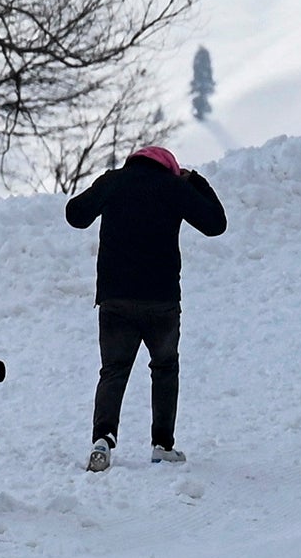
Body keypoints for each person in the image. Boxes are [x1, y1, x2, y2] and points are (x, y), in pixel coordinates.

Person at [65, 144, 227, 468]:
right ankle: (162, 445)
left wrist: (104, 187)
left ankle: (102, 440)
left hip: (115, 299)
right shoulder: (173, 187)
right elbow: (216, 224)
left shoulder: (114, 181)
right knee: (165, 369)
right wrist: (194, 180)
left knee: (113, 370)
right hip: (161, 301)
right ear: (168, 167)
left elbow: (75, 214)